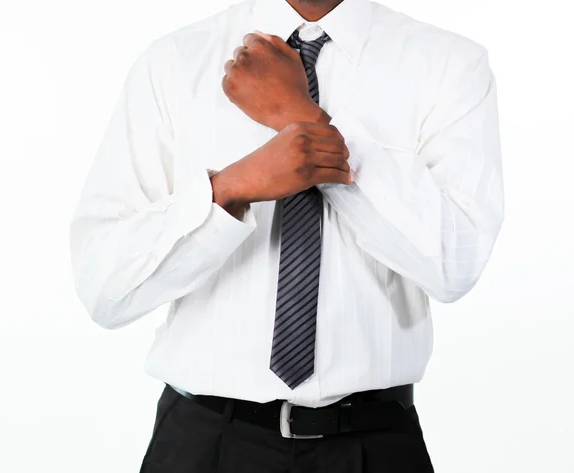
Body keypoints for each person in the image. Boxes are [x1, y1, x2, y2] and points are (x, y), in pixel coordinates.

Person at [69, 0, 504, 471]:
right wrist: (228, 190)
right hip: (204, 444)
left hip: (374, 446)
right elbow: (106, 288)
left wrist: (301, 117)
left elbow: (452, 266)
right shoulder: (173, 63)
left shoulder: (449, 65)